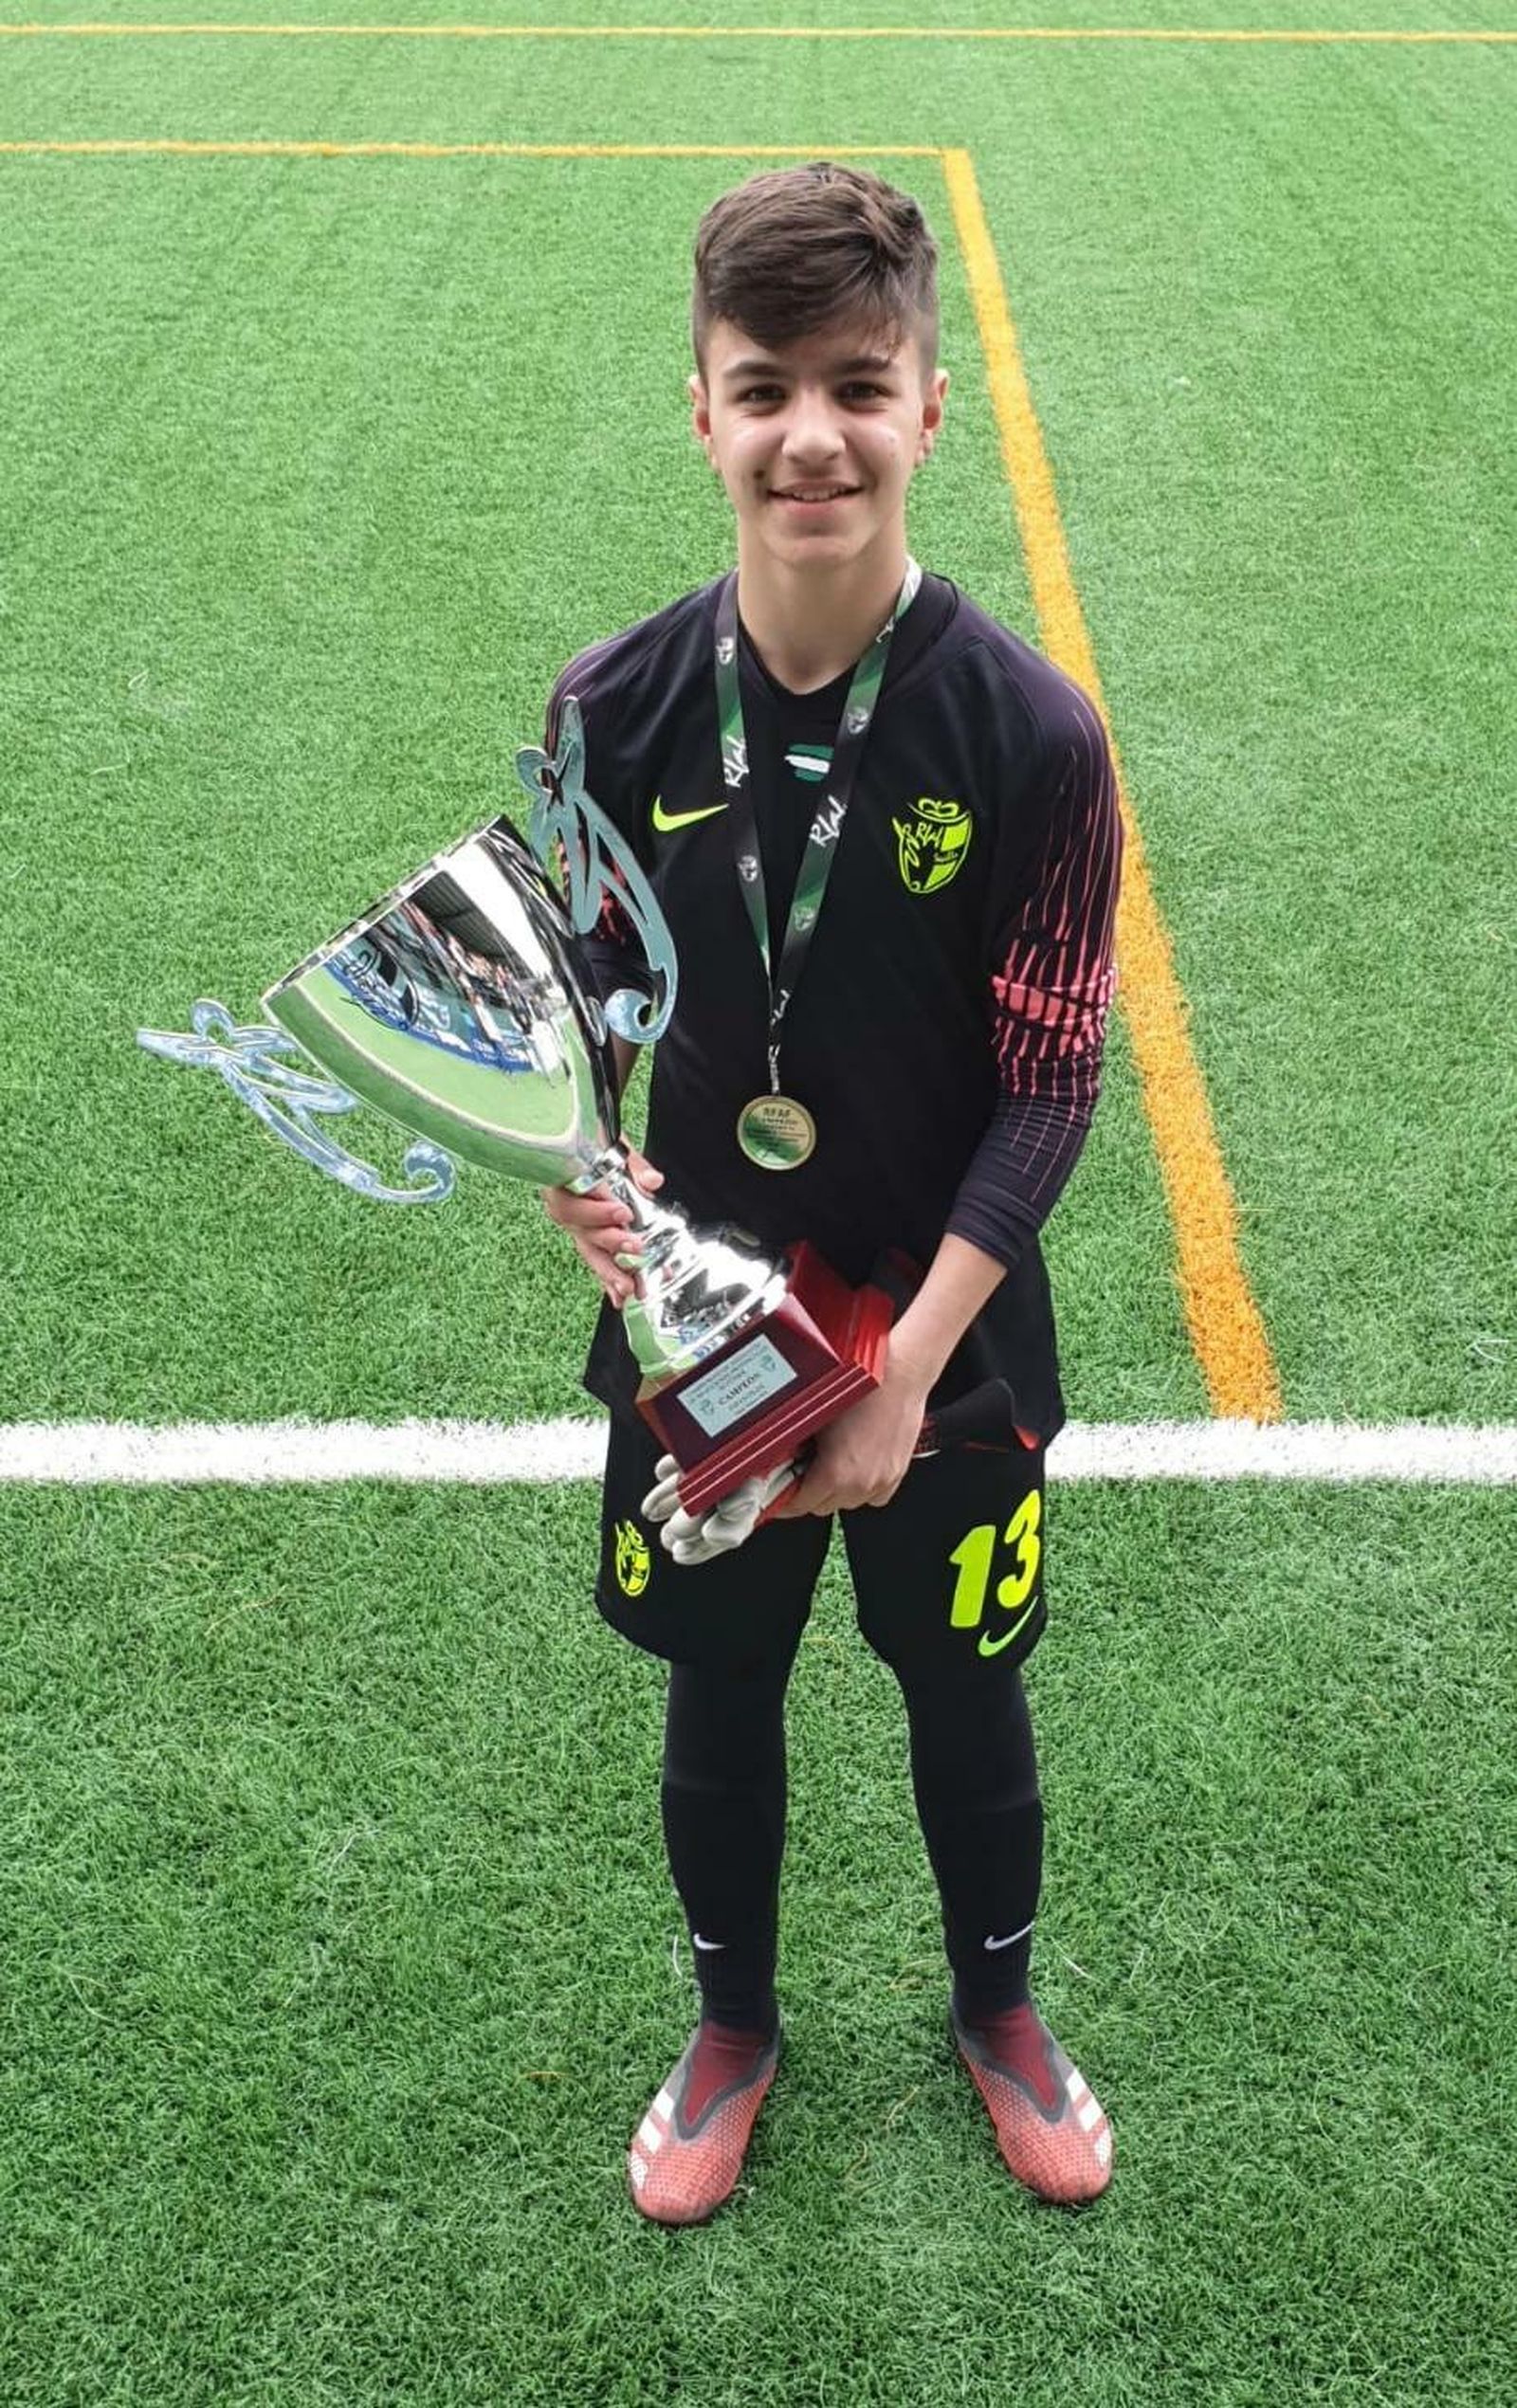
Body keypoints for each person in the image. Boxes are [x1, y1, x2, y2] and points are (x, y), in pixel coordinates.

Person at [538, 161, 1122, 2226]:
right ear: (697, 408)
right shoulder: (604, 709)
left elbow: (1051, 1081)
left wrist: (899, 1376)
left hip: (943, 1333)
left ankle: (996, 2010)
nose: (811, 433)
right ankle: (730, 2025)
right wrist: (583, 1176)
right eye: (763, 384)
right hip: (698, 1335)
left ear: (927, 406)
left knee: (967, 1684)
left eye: (855, 385)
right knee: (720, 1685)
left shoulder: (1031, 735)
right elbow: (586, 1012)